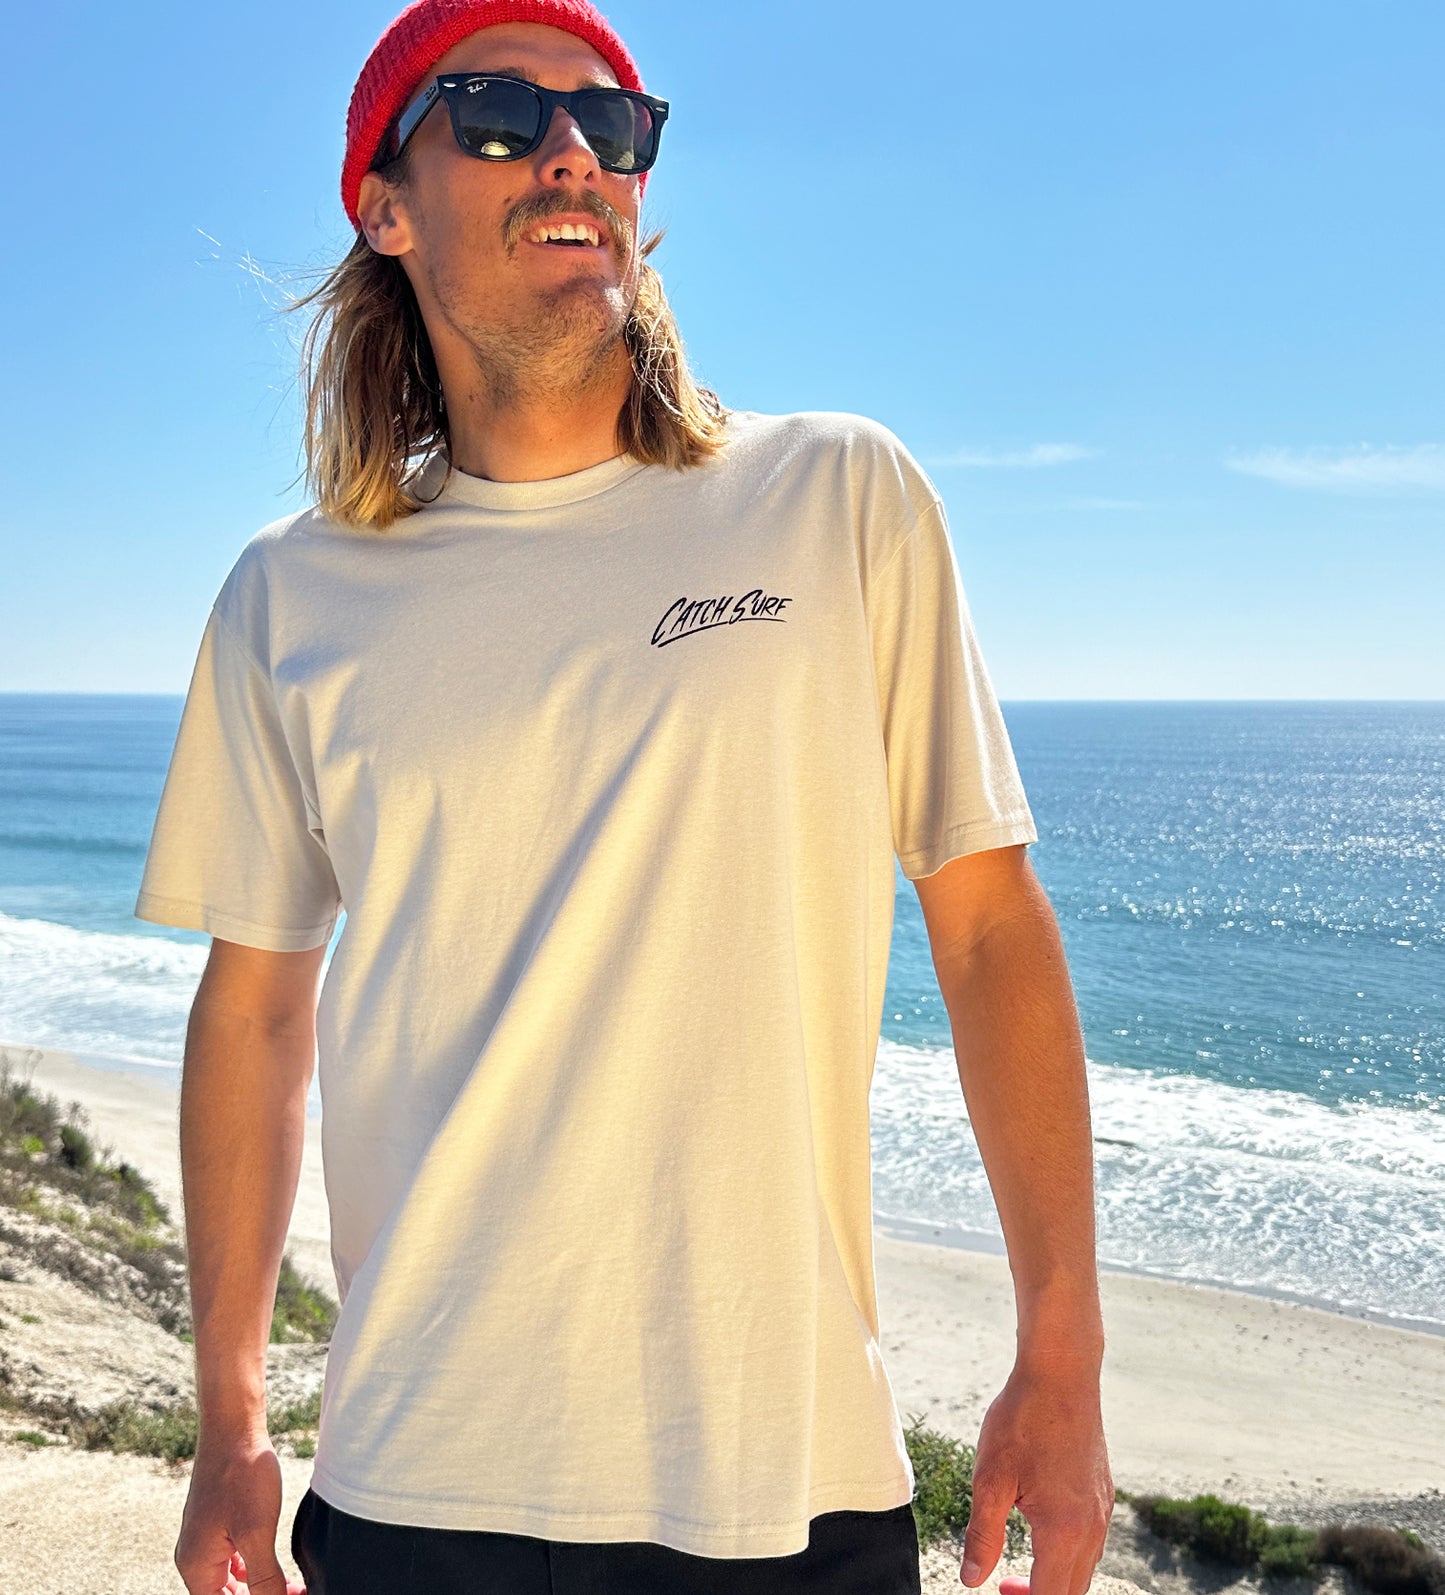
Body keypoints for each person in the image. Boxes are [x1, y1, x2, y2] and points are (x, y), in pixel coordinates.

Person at [137, 1, 1114, 1591]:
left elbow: (989, 926)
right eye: (499, 116)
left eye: (612, 123)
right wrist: (230, 1418)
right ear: (385, 208)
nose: (573, 153)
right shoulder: (291, 595)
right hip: (415, 1474)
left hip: (782, 1473)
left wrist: (1059, 1358)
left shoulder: (834, 496)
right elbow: (251, 1010)